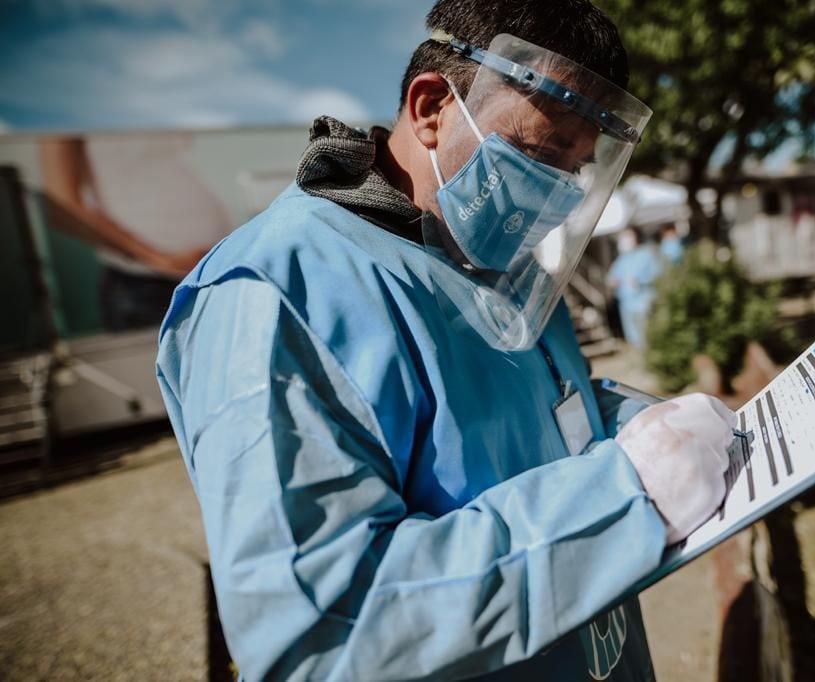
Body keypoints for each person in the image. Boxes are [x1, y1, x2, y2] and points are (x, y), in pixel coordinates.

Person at [157, 1, 736, 679]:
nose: (558, 192)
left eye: (575, 169)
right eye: (539, 153)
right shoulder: (273, 290)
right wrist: (626, 495)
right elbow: (322, 630)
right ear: (432, 106)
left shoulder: (501, 263)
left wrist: (640, 423)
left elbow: (528, 409)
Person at [39, 135, 226, 330]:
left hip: (211, 275)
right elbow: (63, 208)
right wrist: (158, 260)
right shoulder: (64, 109)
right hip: (146, 284)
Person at [608, 227, 662, 349]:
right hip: (626, 305)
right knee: (634, 338)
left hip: (644, 303)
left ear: (636, 238)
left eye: (628, 237)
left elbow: (657, 274)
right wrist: (613, 281)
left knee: (648, 336)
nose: (625, 241)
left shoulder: (646, 255)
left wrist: (642, 281)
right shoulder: (621, 260)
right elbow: (612, 276)